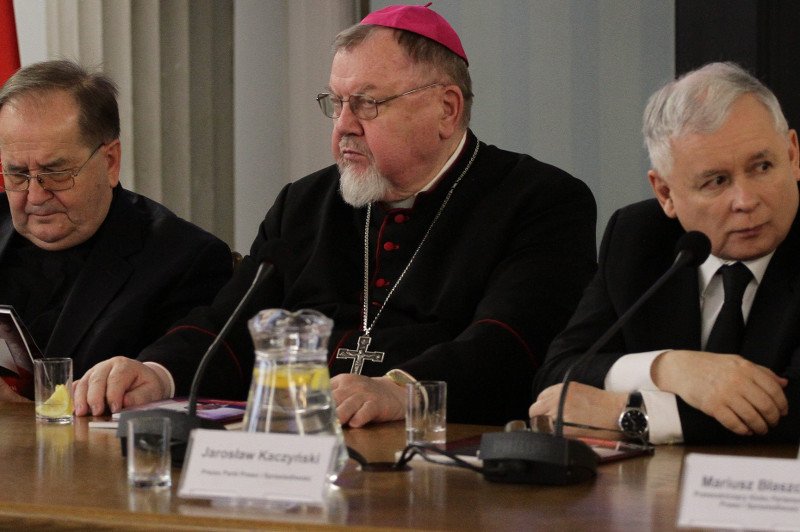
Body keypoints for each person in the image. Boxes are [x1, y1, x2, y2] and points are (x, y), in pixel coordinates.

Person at [74, 4, 596, 426]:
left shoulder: (540, 201)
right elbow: (228, 326)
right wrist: (155, 371)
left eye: (367, 104)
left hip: (447, 464)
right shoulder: (303, 204)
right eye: (336, 102)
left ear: (447, 109)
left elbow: (512, 343)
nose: (344, 124)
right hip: (301, 451)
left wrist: (401, 393)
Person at [531, 62, 800, 444]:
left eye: (762, 166)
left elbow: (790, 411)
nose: (746, 200)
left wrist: (628, 415)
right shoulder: (639, 237)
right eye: (717, 181)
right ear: (666, 194)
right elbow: (559, 374)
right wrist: (669, 367)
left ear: (792, 155)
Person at [0, 60, 233, 401]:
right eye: (17, 174)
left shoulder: (184, 260)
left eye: (56, 172)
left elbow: (187, 388)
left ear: (109, 161)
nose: (35, 195)